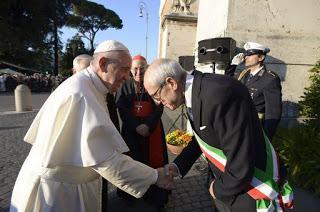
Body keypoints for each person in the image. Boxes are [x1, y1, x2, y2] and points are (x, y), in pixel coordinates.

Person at [10, 40, 174, 212]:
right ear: (103, 64)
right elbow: (107, 161)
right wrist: (156, 176)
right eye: (125, 69)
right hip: (57, 193)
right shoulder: (82, 94)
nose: (128, 76)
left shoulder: (90, 86)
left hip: (71, 185)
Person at [144, 59, 293, 212]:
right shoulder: (195, 92)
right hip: (229, 184)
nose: (158, 103)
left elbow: (240, 163)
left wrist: (217, 189)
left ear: (171, 83)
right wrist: (177, 166)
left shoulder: (220, 94)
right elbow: (203, 134)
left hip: (251, 191)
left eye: (156, 95)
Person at [116, 55, 169, 208]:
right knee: (132, 163)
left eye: (142, 68)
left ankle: (154, 194)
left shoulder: (153, 82)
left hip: (151, 131)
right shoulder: (124, 84)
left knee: (151, 163)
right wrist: (135, 126)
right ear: (131, 70)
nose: (139, 72)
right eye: (136, 68)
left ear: (147, 68)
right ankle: (131, 194)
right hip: (131, 132)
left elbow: (160, 106)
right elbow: (122, 108)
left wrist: (148, 126)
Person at [233, 42, 282, 140]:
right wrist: (233, 65)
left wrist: (265, 139)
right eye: (246, 54)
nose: (246, 57)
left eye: (250, 54)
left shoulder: (269, 79)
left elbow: (273, 113)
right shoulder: (243, 75)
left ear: (261, 58)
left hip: (253, 129)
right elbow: (227, 84)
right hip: (237, 126)